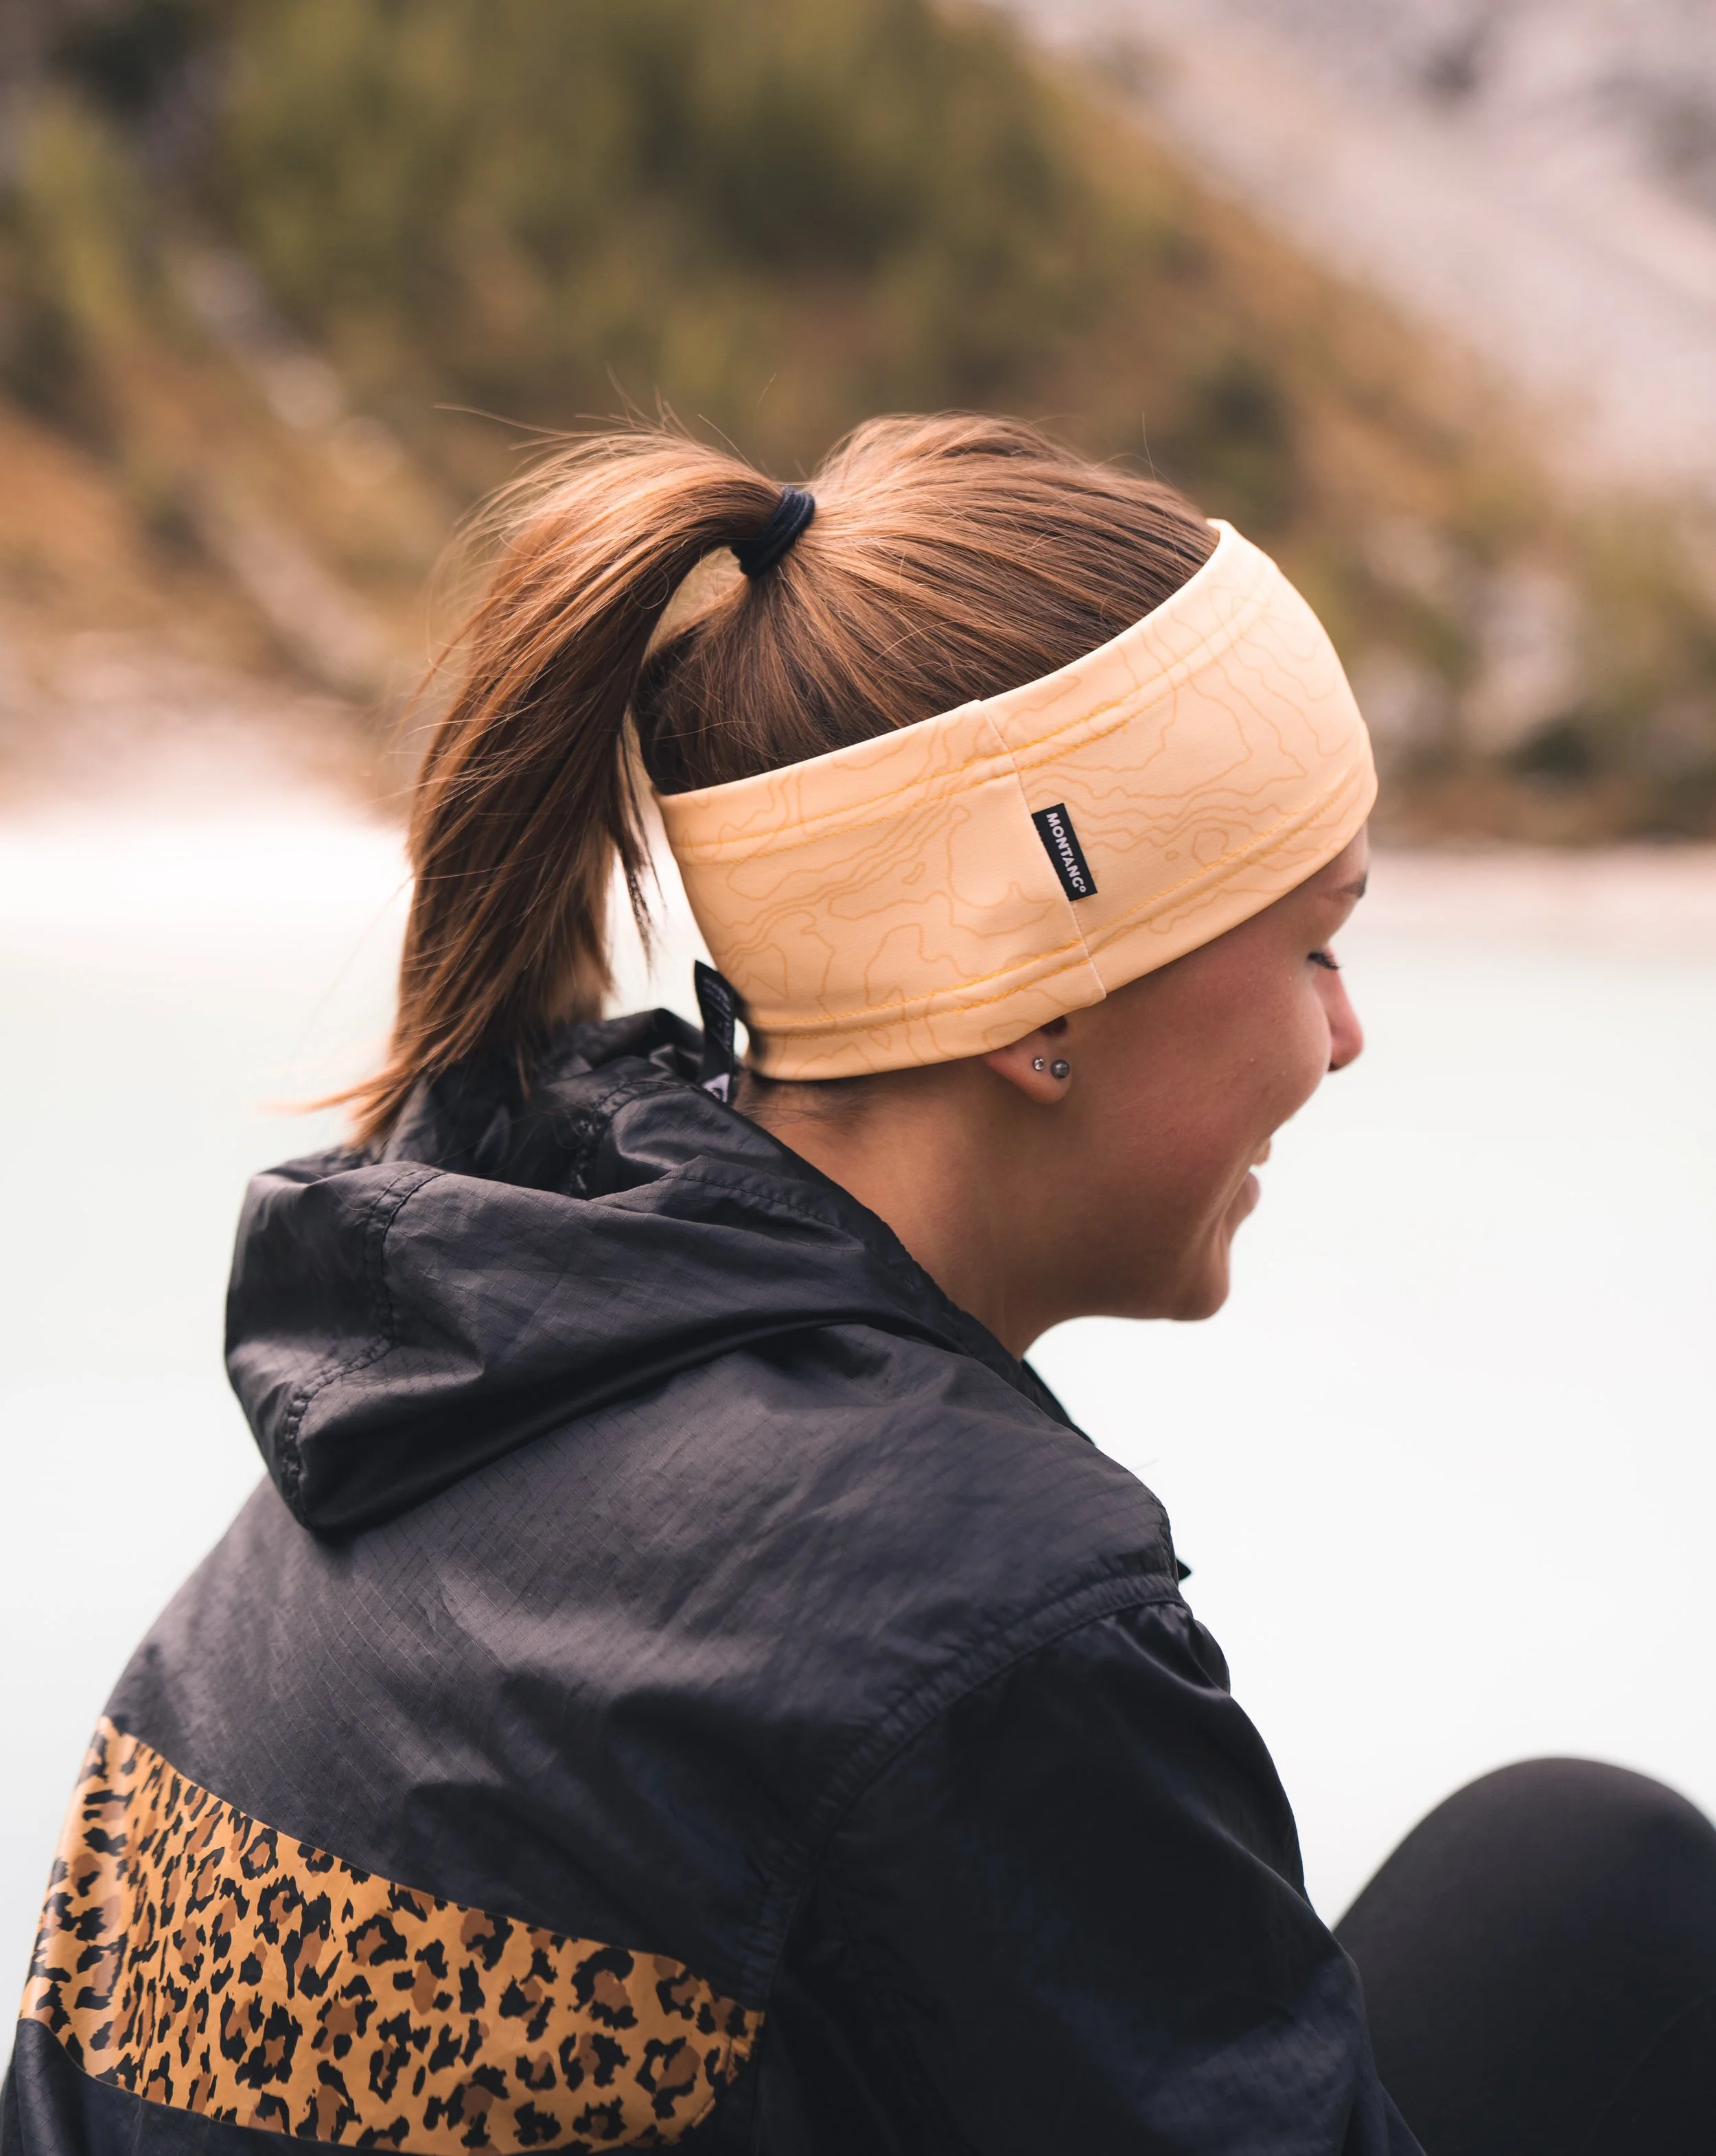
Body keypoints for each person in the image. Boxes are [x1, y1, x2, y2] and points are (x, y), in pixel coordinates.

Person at [7, 415, 1716, 2156]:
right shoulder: (961, 1607)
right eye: (1312, 943)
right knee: (1601, 1889)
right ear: (1040, 996)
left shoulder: (455, 1333)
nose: (1344, 1035)